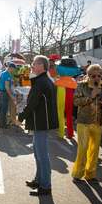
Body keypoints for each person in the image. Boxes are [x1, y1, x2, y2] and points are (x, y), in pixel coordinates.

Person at [19, 55, 58, 196]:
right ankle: (39, 180)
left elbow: (32, 103)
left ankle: (45, 186)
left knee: (42, 155)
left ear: (41, 66)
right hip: (40, 122)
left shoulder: (42, 82)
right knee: (38, 153)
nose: (32, 66)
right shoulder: (43, 80)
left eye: (34, 64)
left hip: (41, 122)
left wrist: (21, 116)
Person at [72, 64, 102, 182]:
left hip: (98, 122)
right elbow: (76, 101)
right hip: (84, 121)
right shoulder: (81, 85)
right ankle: (77, 174)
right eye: (93, 76)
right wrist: (90, 96)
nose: (96, 78)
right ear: (88, 75)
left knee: (94, 149)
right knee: (83, 148)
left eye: (99, 75)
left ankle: (91, 174)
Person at [0, 62, 16, 129]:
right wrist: (11, 96)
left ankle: (0, 123)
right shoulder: (7, 75)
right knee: (4, 109)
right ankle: (3, 125)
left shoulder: (3, 73)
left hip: (1, 92)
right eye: (13, 69)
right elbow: (7, 87)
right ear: (10, 68)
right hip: (4, 93)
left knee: (1, 108)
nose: (14, 70)